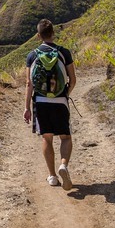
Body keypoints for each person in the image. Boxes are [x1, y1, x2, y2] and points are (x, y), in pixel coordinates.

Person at [23, 19, 75, 190]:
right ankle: (64, 166)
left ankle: (52, 176)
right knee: (65, 137)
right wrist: (64, 95)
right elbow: (73, 80)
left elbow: (29, 84)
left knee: (47, 137)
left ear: (38, 36)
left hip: (41, 102)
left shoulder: (32, 55)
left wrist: (26, 108)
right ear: (53, 33)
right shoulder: (64, 52)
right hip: (60, 100)